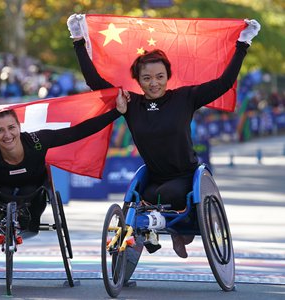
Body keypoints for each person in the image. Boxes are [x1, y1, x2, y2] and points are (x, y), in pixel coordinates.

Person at [67, 14, 260, 258]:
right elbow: (95, 82)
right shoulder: (130, 103)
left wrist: (243, 44)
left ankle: (175, 231)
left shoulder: (185, 98)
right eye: (146, 78)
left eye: (160, 77)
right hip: (153, 177)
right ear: (137, 81)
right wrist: (77, 40)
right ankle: (149, 235)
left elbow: (224, 83)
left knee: (165, 195)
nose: (154, 83)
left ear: (168, 76)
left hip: (185, 177)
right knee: (139, 198)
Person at [0, 83, 130, 239]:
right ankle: (5, 218)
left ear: (19, 127)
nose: (7, 135)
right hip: (3, 196)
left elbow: (79, 131)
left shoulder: (37, 141)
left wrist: (117, 112)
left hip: (34, 196)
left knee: (29, 190)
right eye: (0, 131)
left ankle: (26, 220)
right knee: (6, 190)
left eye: (11, 128)